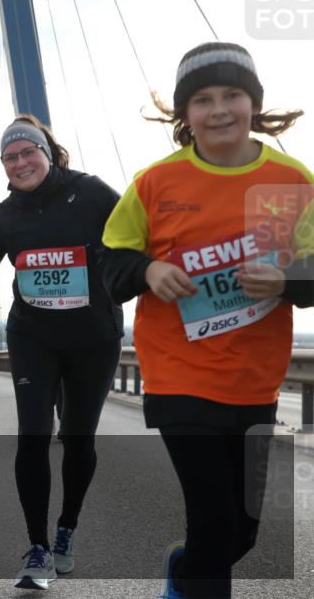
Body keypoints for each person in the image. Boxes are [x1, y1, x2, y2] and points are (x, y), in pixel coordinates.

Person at [100, 42, 312, 599]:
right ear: (184, 114)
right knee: (214, 524)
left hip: (255, 379)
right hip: (179, 376)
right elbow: (111, 261)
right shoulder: (155, 183)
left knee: (241, 533)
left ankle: (184, 568)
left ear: (254, 104)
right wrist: (148, 272)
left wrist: (287, 281)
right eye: (202, 99)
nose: (219, 109)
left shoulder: (291, 180)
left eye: (232, 95)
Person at [0, 114, 123, 590]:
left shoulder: (92, 192)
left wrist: (115, 270)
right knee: (33, 437)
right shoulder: (5, 214)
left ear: (48, 153)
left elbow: (134, 241)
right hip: (33, 336)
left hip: (92, 337)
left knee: (78, 441)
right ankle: (37, 547)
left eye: (27, 152)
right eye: (9, 157)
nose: (19, 163)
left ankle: (66, 530)